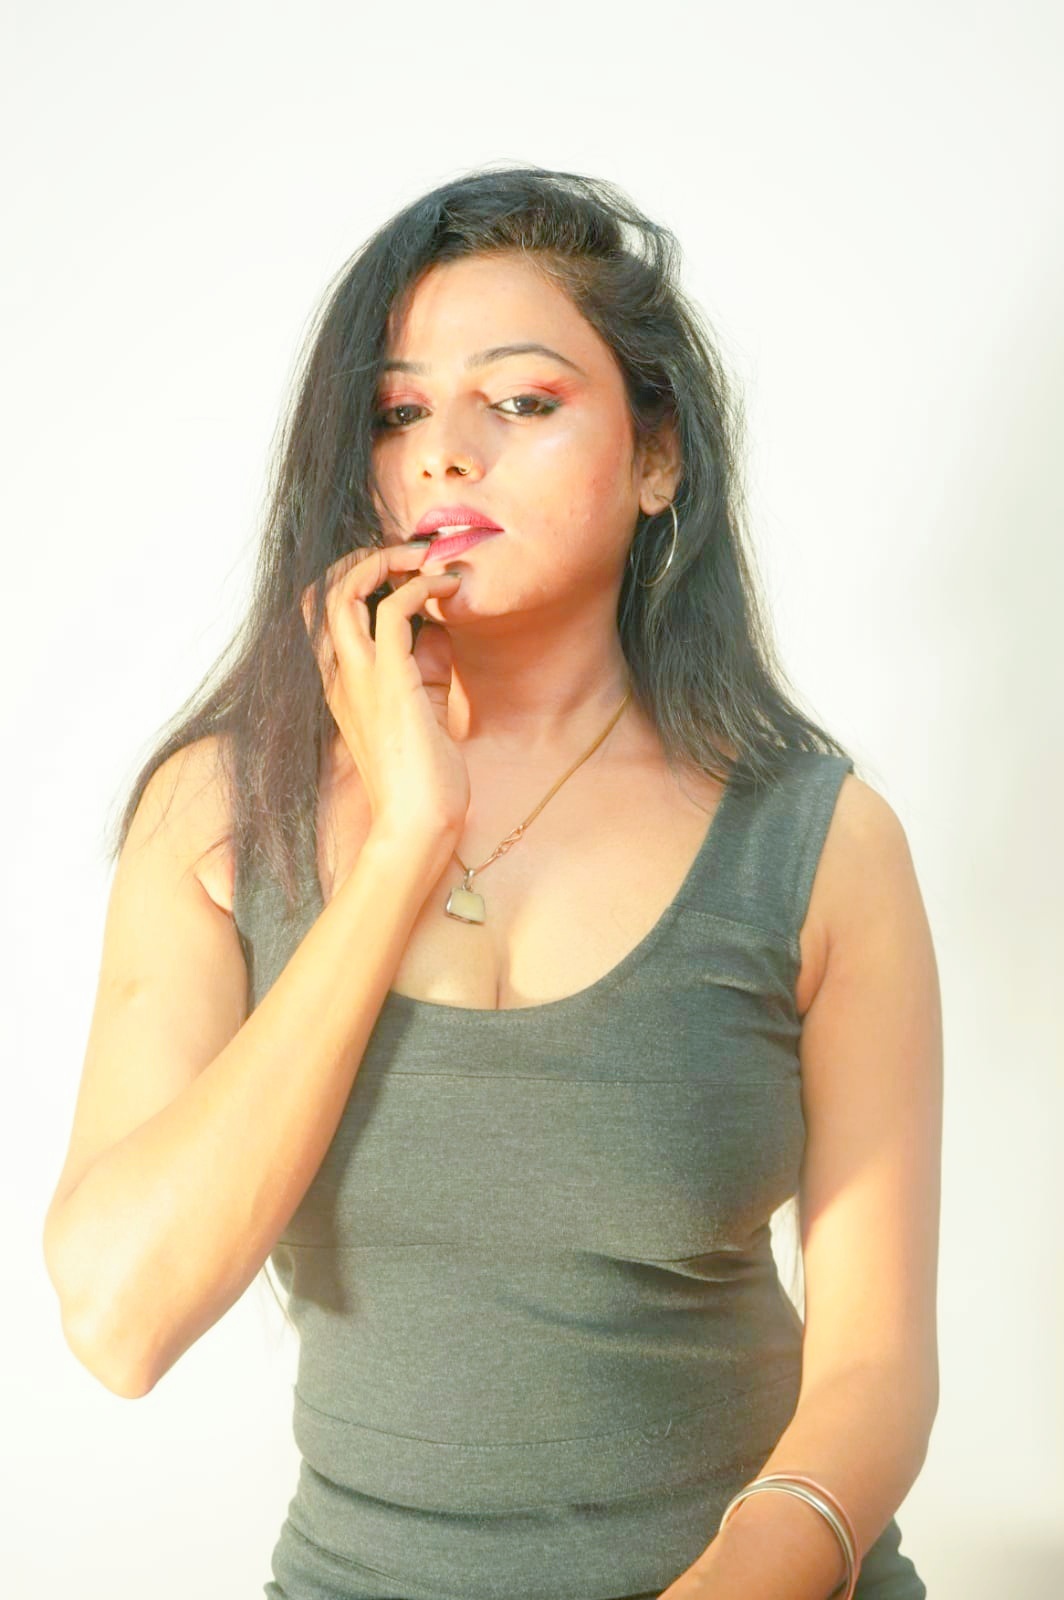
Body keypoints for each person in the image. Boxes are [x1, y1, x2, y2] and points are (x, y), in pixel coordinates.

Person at [41, 165, 940, 1600]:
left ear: (658, 458)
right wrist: (403, 844)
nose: (448, 456)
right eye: (400, 413)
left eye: (521, 401)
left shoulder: (819, 840)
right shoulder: (218, 815)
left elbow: (876, 1368)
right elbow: (118, 1320)